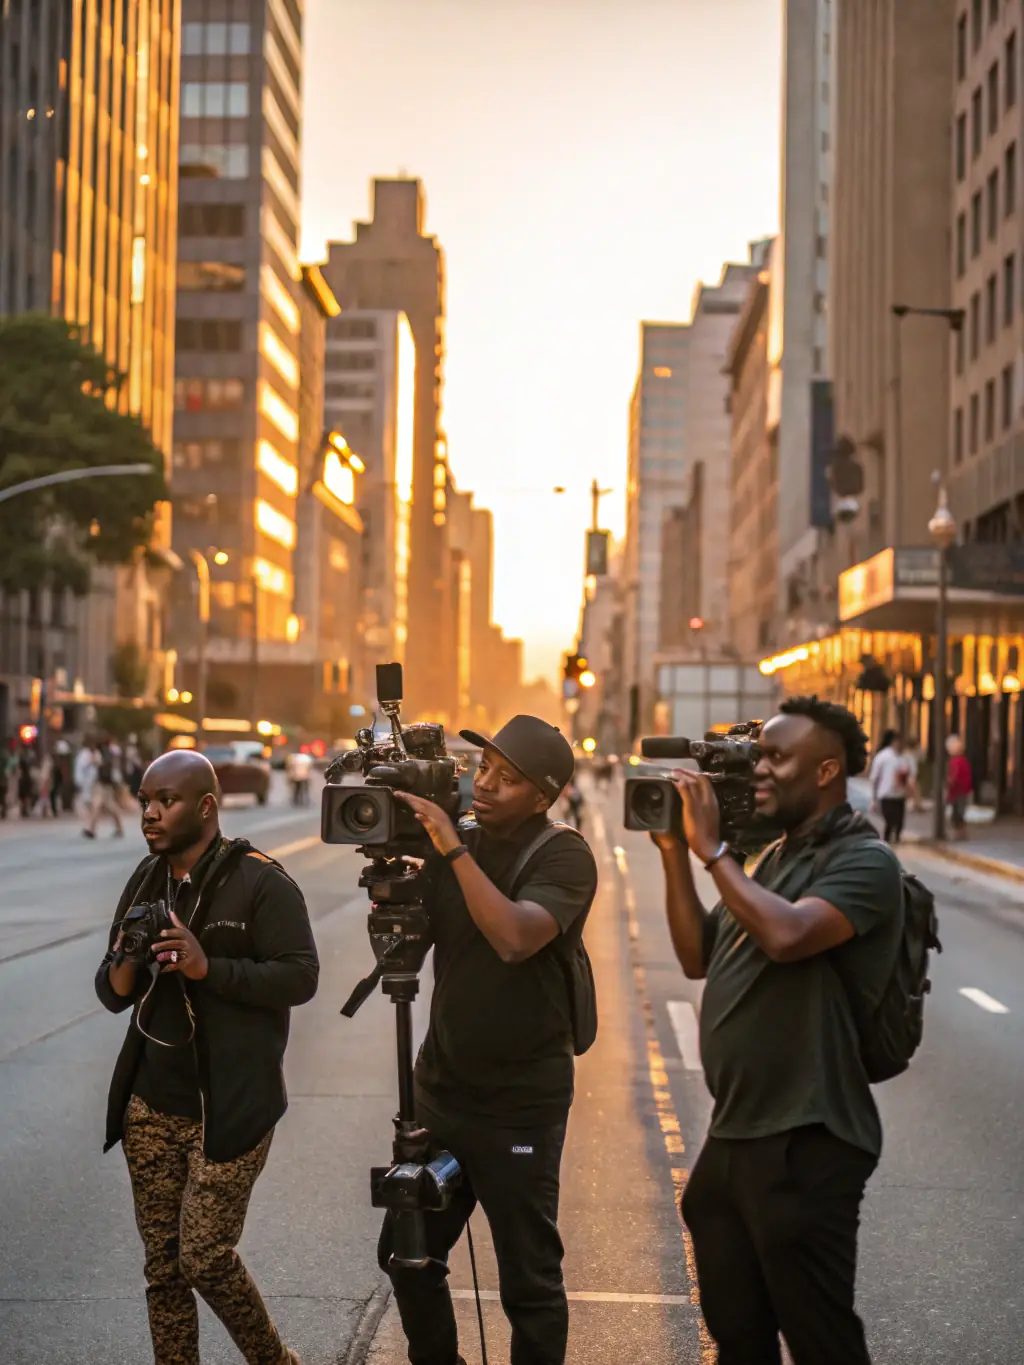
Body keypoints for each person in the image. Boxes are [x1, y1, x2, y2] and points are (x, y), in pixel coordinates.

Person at [652, 695, 903, 1365]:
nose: (759, 767)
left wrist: (712, 854)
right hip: (736, 1134)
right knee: (739, 1336)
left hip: (806, 1137)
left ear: (826, 770)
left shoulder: (866, 862)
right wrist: (676, 852)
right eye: (758, 752)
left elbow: (788, 934)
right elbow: (696, 956)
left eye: (776, 755)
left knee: (821, 1340)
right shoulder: (773, 859)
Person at [378, 715, 598, 1365]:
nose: (487, 783)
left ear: (544, 794)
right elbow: (414, 950)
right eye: (484, 768)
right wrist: (396, 904)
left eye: (509, 777)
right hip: (441, 1090)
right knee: (406, 1252)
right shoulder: (457, 840)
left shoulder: (563, 853)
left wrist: (451, 848)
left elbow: (515, 935)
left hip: (519, 1104)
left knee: (528, 1283)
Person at [95, 749, 318, 1365]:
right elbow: (113, 995)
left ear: (207, 807)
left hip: (231, 1108)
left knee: (204, 1259)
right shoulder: (146, 880)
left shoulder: (262, 882)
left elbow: (300, 977)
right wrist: (126, 960)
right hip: (153, 1106)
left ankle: (275, 1360)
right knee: (163, 1270)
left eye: (165, 801)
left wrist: (206, 967)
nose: (150, 813)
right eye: (144, 801)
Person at [869, 730, 913, 844]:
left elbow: (909, 775)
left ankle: (897, 838)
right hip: (886, 794)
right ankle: (887, 839)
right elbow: (875, 778)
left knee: (899, 821)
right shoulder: (883, 757)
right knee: (889, 819)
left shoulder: (904, 757)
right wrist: (874, 798)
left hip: (900, 794)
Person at [82, 737, 124, 838]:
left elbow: (97, 762)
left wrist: (93, 761)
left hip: (101, 783)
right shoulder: (110, 752)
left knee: (97, 805)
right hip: (107, 782)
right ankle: (119, 828)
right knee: (110, 805)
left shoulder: (100, 752)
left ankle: (91, 829)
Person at [946, 734, 973, 839]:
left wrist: (950, 784)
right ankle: (962, 833)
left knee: (957, 814)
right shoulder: (963, 761)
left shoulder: (956, 761)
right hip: (962, 791)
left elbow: (955, 777)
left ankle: (960, 833)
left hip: (958, 791)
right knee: (959, 813)